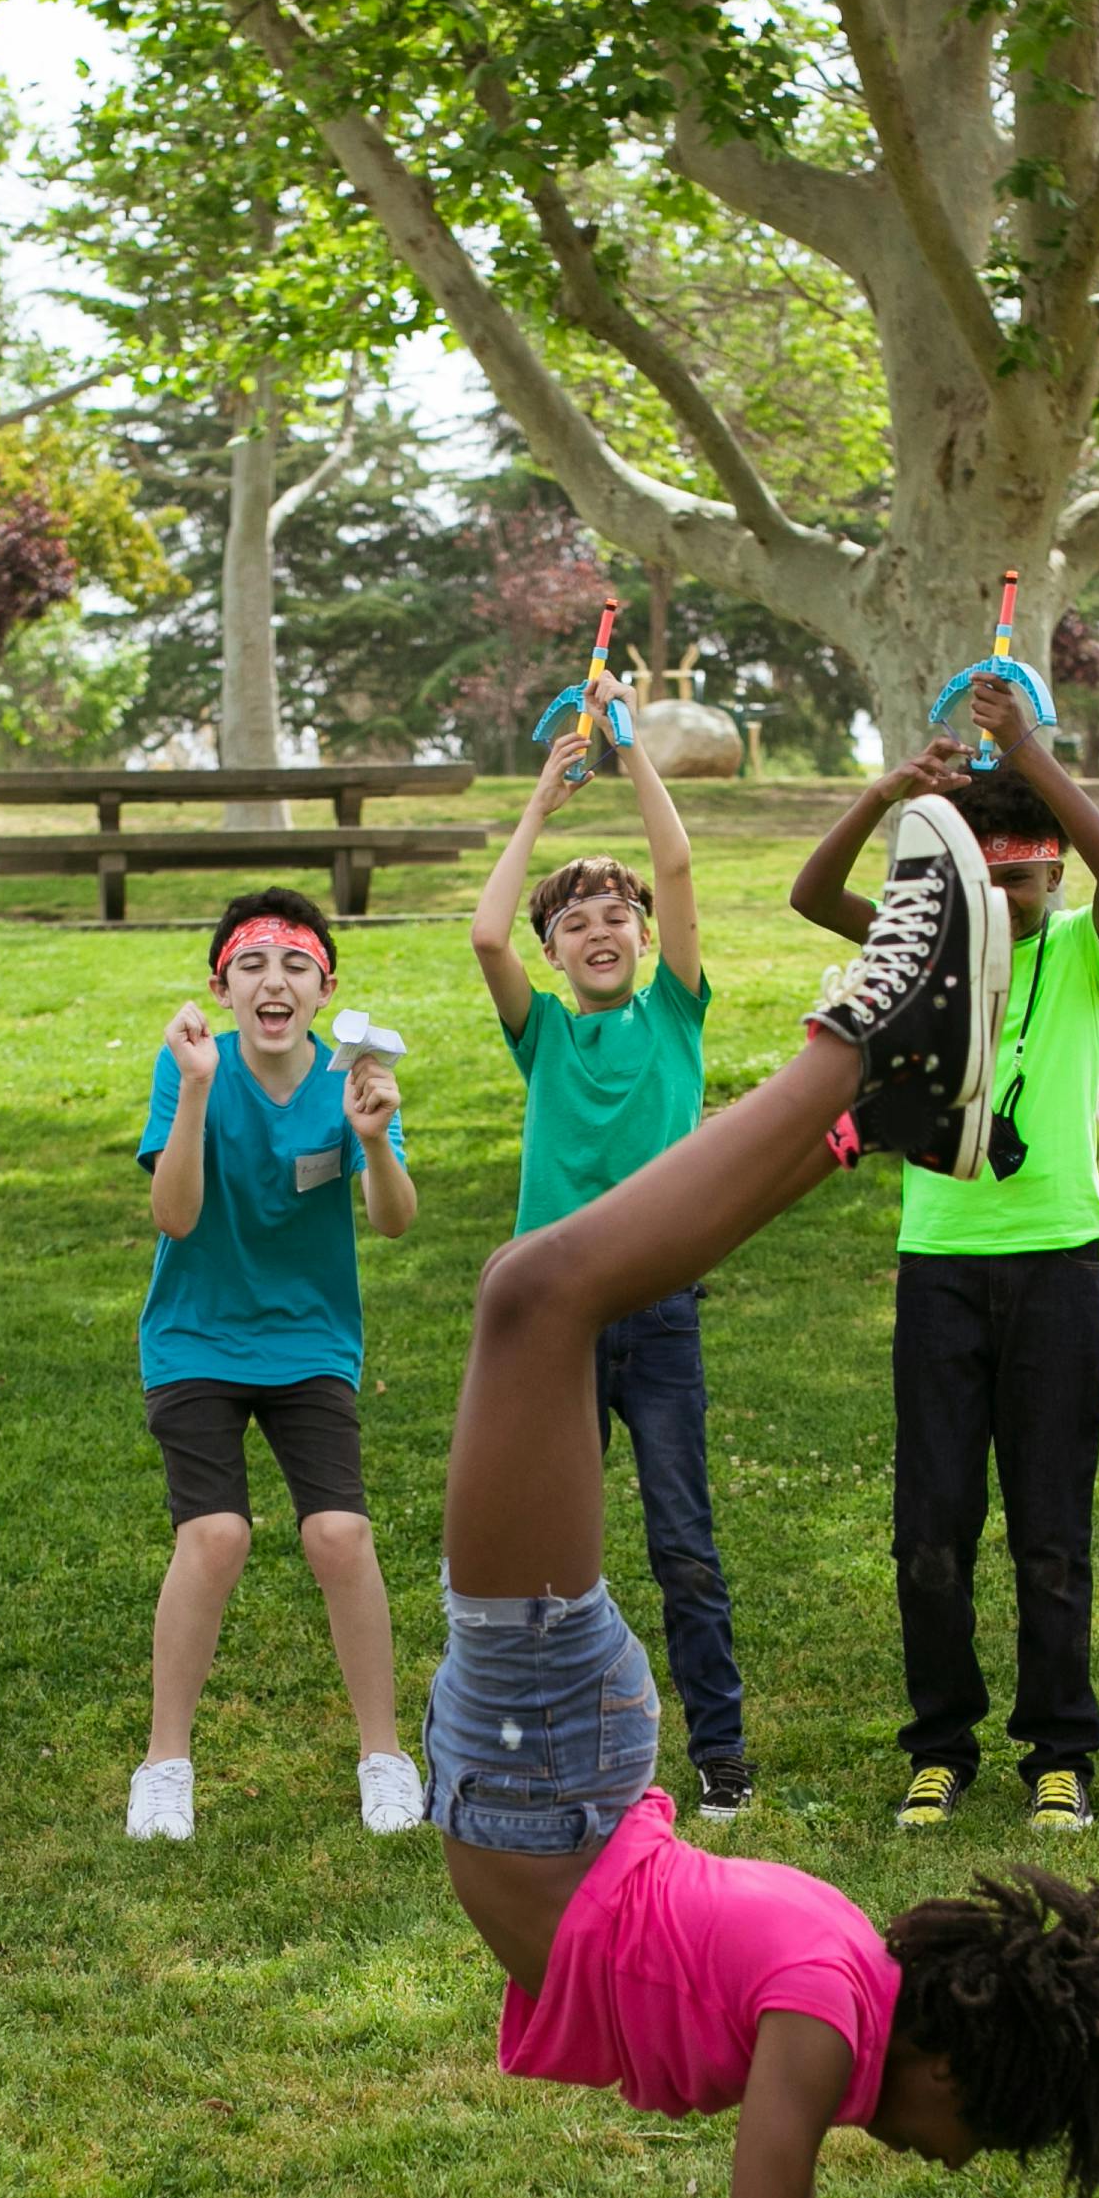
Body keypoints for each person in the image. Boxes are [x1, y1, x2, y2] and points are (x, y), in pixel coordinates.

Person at [427, 800, 1099, 2198]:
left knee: (552, 1294)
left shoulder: (842, 1975)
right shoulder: (826, 2019)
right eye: (969, 2144)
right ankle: (860, 1038)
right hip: (552, 1769)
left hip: (581, 1773)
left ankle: (865, 1110)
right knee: (535, 1297)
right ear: (944, 2070)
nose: (938, 2165)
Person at [792, 676, 1099, 1837]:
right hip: (940, 1267)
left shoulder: (1088, 957)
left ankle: (1060, 1754)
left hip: (1058, 1271)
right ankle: (939, 1747)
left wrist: (1027, 750)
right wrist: (890, 796)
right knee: (929, 1529)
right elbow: (812, 895)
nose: (1011, 894)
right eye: (989, 881)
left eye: (1030, 875)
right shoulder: (931, 957)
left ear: (1056, 875)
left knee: (1052, 1529)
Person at [468, 714, 758, 1816]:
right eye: (577, 921)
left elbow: (677, 862)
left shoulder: (675, 1017)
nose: (600, 930)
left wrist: (633, 754)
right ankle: (550, 1752)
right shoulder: (540, 1033)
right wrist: (543, 797)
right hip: (556, 1326)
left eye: (616, 916)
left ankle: (720, 1754)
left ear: (644, 937)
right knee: (550, 1553)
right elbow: (487, 936)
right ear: (556, 954)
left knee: (683, 1539)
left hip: (660, 1310)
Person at [128, 891, 425, 1842]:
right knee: (214, 1537)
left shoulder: (353, 1080)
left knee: (340, 1533)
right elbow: (173, 1216)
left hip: (308, 1340)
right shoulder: (190, 1068)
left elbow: (394, 1220)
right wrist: (200, 1089)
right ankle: (164, 1763)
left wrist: (374, 1140)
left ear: (325, 988)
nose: (274, 981)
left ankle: (384, 1754)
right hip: (196, 1337)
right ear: (222, 983)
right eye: (253, 964)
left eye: (296, 965)